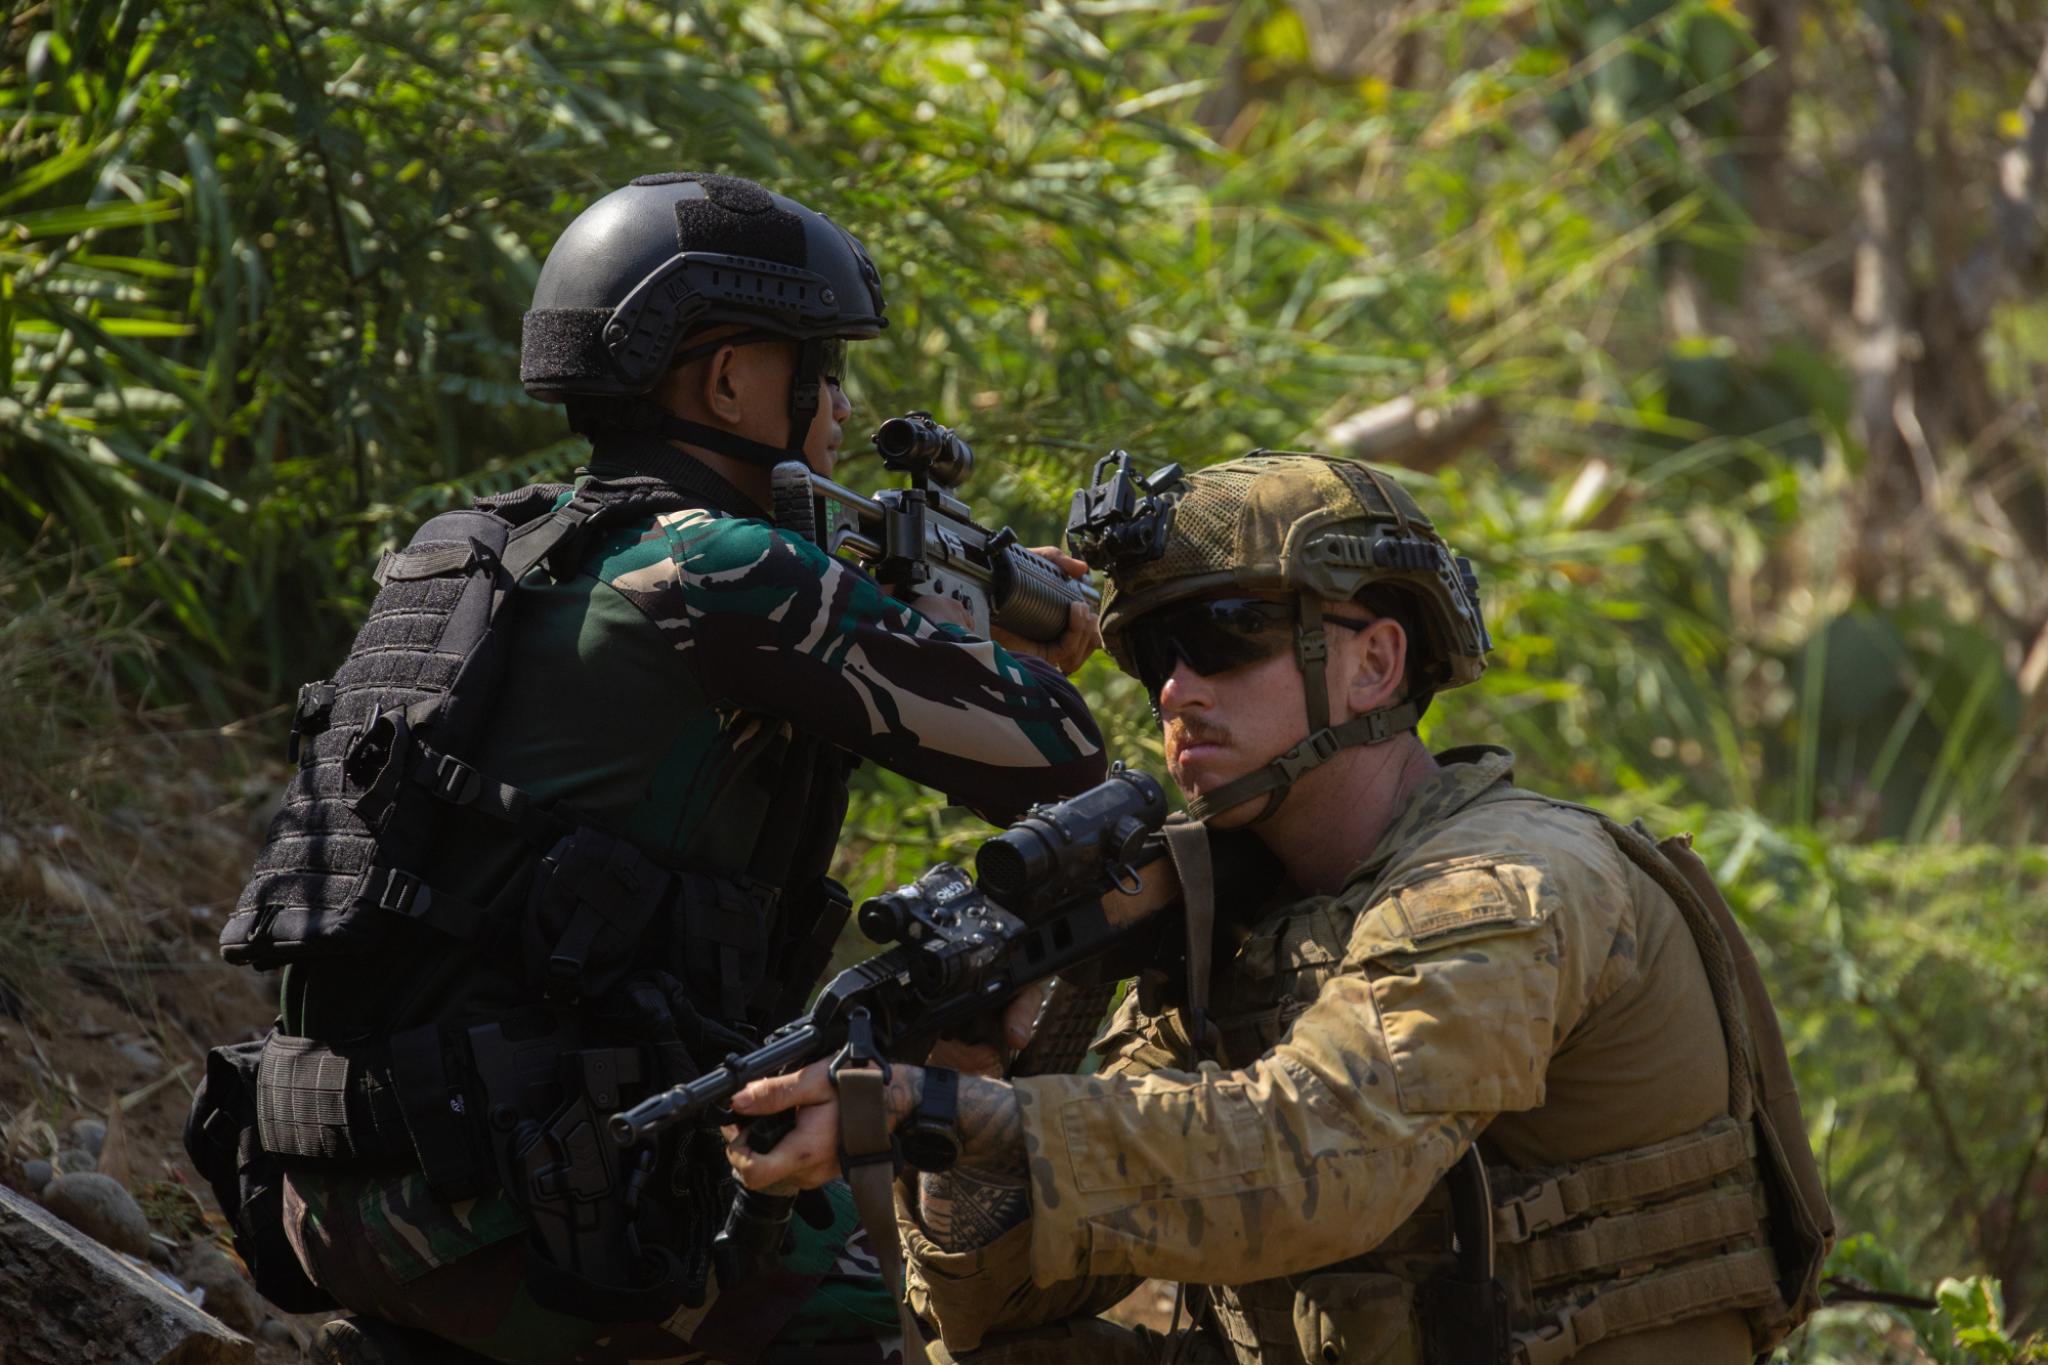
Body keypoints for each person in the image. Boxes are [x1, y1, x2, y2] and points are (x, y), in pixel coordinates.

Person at [194, 172, 1108, 1365]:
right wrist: (999, 638)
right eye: (817, 367)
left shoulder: (473, 550)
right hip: (528, 1214)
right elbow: (1058, 755)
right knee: (895, 1307)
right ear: (729, 379)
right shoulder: (725, 571)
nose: (835, 405)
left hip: (323, 1178)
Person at [725, 451, 1834, 1364]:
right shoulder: (1235, 923)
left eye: (1221, 636)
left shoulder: (1509, 883)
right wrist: (976, 1079)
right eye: (1156, 654)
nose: (1173, 690)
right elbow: (998, 1313)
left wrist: (948, 1113)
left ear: (1372, 662)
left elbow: (1319, 1155)